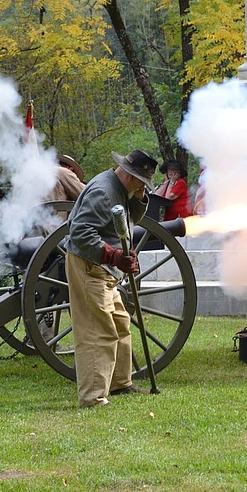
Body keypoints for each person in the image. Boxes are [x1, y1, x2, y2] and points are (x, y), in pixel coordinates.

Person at [65, 149, 157, 408]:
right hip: (90, 266)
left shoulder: (120, 188)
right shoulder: (104, 192)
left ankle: (119, 383)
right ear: (130, 176)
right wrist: (115, 256)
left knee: (119, 323)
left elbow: (127, 221)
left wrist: (139, 197)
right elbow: (80, 231)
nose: (143, 187)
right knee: (98, 331)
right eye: (142, 182)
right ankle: (93, 397)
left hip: (104, 270)